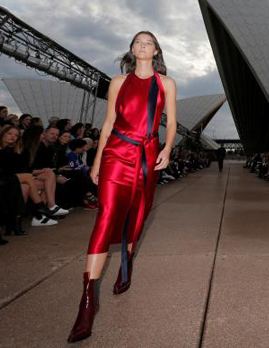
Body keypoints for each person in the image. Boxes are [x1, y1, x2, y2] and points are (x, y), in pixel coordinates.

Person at [68, 31, 177, 343]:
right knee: (106, 216)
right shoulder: (118, 82)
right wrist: (97, 161)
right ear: (133, 49)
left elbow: (169, 122)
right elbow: (107, 123)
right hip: (118, 151)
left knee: (137, 215)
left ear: (156, 51)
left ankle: (125, 265)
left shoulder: (165, 84)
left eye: (148, 43)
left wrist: (167, 149)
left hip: (148, 154)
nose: (142, 46)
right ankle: (87, 300)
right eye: (137, 42)